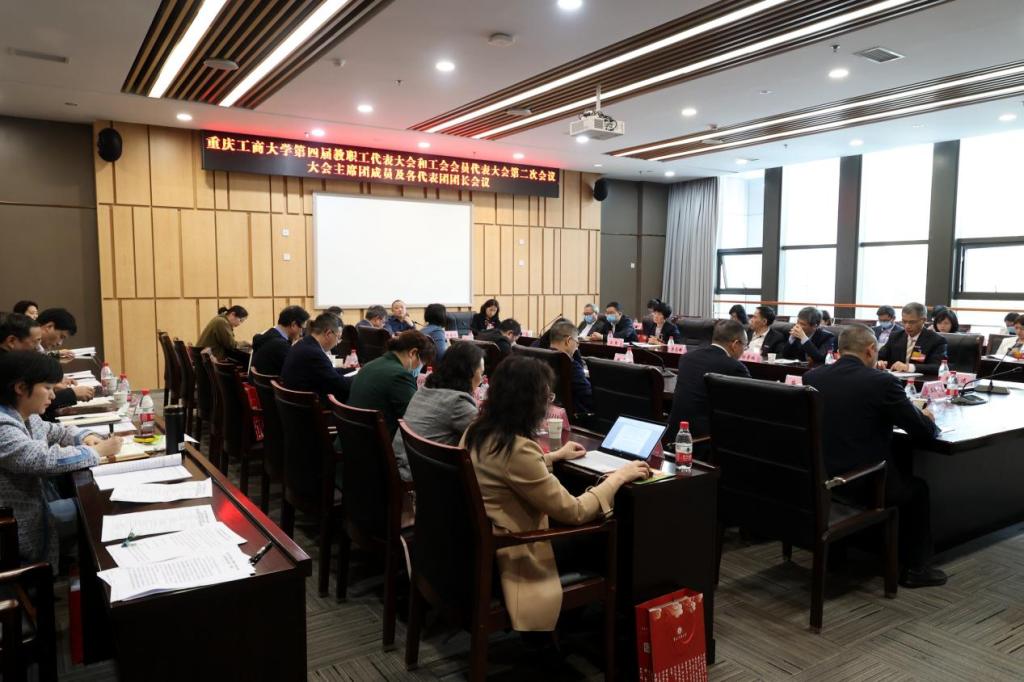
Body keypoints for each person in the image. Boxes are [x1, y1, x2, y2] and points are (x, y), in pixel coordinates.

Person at [461, 356, 650, 634]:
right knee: (606, 535)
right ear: (530, 402)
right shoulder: (517, 448)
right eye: (547, 397)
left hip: (477, 546)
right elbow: (575, 512)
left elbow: (506, 471)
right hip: (513, 551)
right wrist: (619, 476)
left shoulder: (476, 430)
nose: (548, 404)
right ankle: (577, 630)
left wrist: (554, 456)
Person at [804, 324, 946, 588]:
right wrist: (926, 417)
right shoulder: (882, 382)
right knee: (917, 490)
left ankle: (840, 553)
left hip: (822, 476)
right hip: (863, 482)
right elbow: (921, 431)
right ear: (871, 350)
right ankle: (917, 569)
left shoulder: (813, 377)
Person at [0, 351, 121, 570]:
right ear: (20, 388)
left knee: (95, 503)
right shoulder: (2, 425)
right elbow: (41, 460)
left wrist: (84, 436)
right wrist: (97, 451)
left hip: (35, 508)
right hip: (16, 527)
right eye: (47, 388)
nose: (53, 396)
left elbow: (55, 431)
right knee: (99, 508)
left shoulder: (24, 414)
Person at [391, 342, 484, 481]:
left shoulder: (424, 390)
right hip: (418, 476)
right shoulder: (458, 403)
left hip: (399, 465)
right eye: (481, 373)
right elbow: (487, 437)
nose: (482, 379)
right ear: (469, 374)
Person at [666, 320, 751, 441]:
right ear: (735, 344)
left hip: (673, 431)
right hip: (703, 438)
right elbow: (750, 402)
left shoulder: (687, 357)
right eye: (745, 345)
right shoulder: (735, 367)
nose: (744, 349)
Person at [348, 330, 436, 436]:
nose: (420, 367)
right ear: (413, 353)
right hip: (376, 441)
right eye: (422, 362)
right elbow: (416, 417)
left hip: (351, 437)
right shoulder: (400, 375)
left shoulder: (370, 365)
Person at [281, 313, 352, 403]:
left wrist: (352, 370)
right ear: (328, 333)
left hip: (295, 403)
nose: (338, 343)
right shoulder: (314, 353)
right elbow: (339, 385)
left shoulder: (303, 343)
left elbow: (328, 371)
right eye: (338, 337)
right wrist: (360, 378)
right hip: (309, 407)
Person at [36, 309, 93, 413]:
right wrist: (71, 394)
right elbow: (32, 399)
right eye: (61, 337)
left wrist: (53, 384)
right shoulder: (28, 352)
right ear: (49, 326)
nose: (59, 344)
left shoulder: (38, 351)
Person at [876, 302, 947, 376]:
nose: (907, 326)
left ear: (924, 320)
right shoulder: (895, 336)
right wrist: (879, 362)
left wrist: (909, 367)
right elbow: (879, 356)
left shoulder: (936, 340)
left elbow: (938, 367)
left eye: (912, 322)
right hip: (894, 379)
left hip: (920, 381)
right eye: (904, 321)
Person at [250, 305, 310, 376]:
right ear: (293, 325)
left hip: (260, 381)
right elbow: (298, 371)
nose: (302, 333)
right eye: (302, 328)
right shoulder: (280, 345)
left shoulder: (268, 335)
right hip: (272, 382)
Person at [548, 320, 591, 412]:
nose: (577, 346)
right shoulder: (570, 365)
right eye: (576, 342)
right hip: (572, 415)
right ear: (568, 341)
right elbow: (588, 397)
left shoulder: (541, 356)